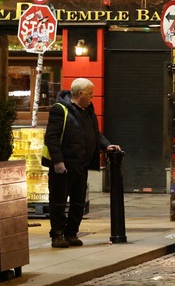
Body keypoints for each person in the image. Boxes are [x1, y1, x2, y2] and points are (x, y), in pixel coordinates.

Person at [43, 78, 121, 248]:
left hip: (81, 165)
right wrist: (58, 162)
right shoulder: (60, 110)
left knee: (78, 202)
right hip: (63, 166)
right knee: (59, 201)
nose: (92, 96)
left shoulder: (88, 111)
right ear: (80, 94)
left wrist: (107, 146)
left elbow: (95, 133)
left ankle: (71, 233)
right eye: (90, 93)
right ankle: (57, 235)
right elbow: (51, 138)